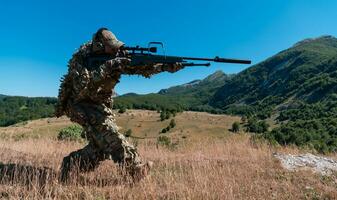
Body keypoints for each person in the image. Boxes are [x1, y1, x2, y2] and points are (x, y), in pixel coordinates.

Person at [56, 28, 185, 183]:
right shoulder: (81, 58)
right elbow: (82, 88)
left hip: (99, 104)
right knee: (109, 134)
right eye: (111, 47)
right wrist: (107, 67)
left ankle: (70, 166)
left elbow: (139, 67)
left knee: (101, 147)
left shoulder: (116, 56)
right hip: (78, 104)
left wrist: (164, 67)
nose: (115, 50)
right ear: (99, 45)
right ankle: (134, 169)